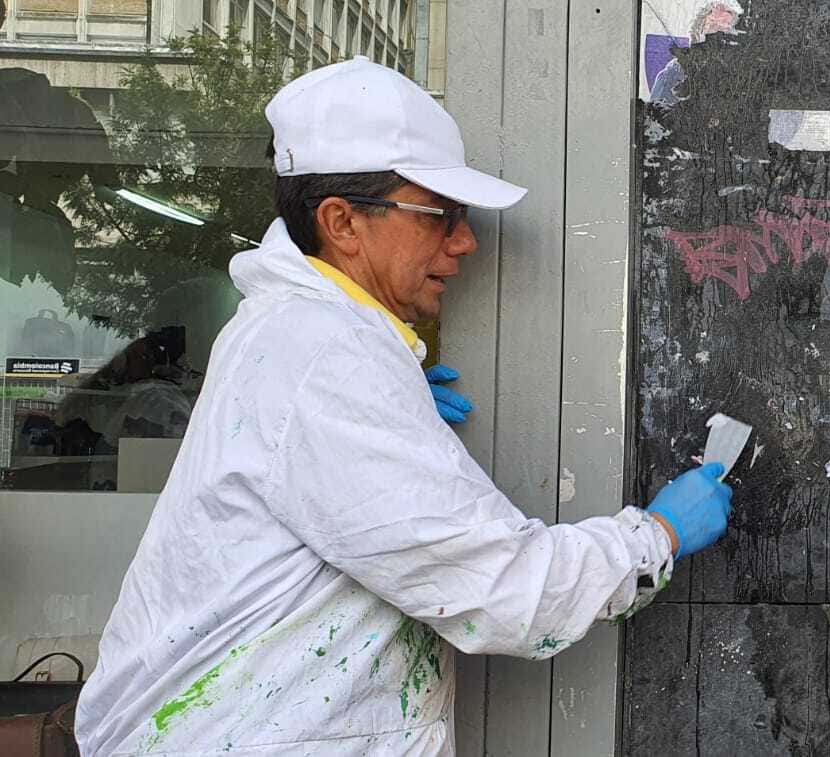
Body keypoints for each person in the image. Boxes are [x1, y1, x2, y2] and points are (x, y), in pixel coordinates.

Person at [76, 57, 734, 756]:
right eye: (440, 215)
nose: (466, 240)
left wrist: (389, 406)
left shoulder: (302, 335)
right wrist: (654, 537)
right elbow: (501, 588)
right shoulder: (327, 357)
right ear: (343, 223)